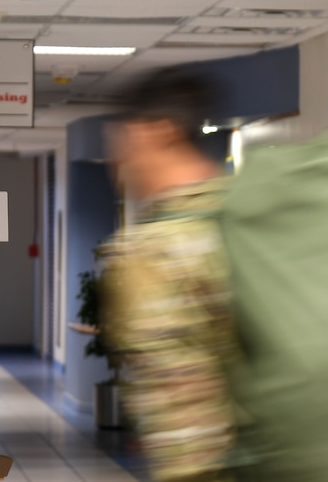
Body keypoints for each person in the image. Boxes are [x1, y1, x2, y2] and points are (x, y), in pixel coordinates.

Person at [99, 65, 238, 482]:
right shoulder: (254, 213)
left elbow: (175, 405)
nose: (117, 159)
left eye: (122, 140)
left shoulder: (148, 250)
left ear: (158, 132)